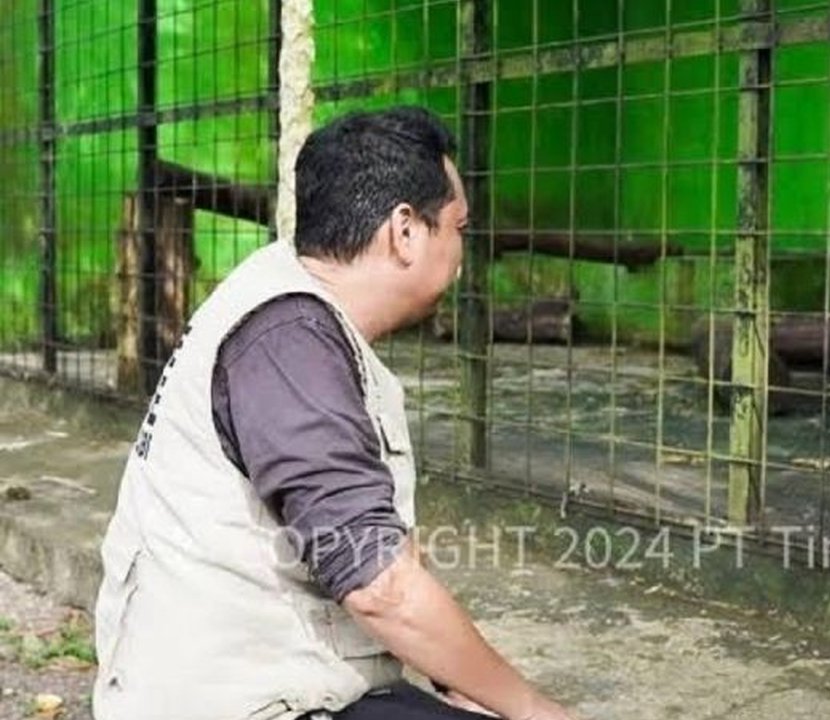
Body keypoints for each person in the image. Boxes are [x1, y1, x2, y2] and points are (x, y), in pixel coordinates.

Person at [91, 106, 577, 720]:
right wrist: (535, 709)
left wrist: (458, 676)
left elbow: (368, 550)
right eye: (458, 227)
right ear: (405, 231)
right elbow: (382, 589)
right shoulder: (291, 342)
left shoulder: (286, 305)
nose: (460, 252)